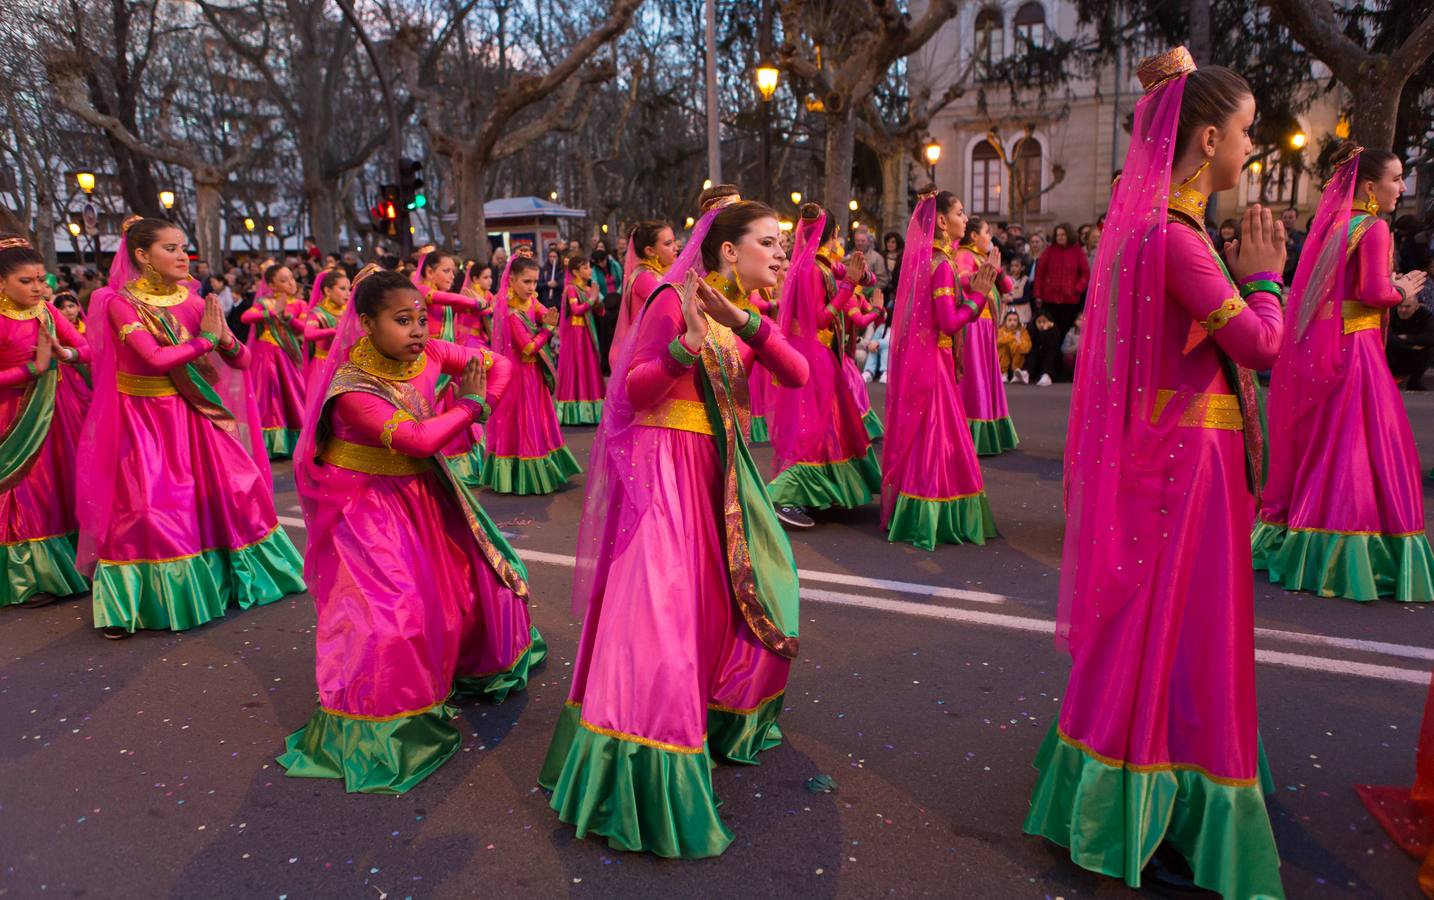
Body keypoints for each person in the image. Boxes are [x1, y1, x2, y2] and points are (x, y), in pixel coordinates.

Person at [1023, 49, 1289, 899]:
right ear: (1207, 138)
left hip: (1178, 459)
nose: (1252, 148)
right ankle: (1152, 799)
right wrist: (1267, 281)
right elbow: (1261, 345)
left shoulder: (1152, 231)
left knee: (1157, 630)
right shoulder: (1177, 240)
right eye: (1246, 131)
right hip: (1192, 470)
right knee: (1178, 628)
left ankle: (1127, 789)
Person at [539, 186, 809, 858]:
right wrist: (686, 345)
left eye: (782, 245)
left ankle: (715, 717)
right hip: (662, 469)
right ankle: (643, 776)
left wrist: (739, 322)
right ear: (728, 249)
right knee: (658, 620)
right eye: (769, 244)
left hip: (714, 474)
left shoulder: (742, 312)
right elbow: (631, 392)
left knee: (737, 603)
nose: (782, 256)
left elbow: (797, 372)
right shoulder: (667, 298)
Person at [277, 267, 543, 794]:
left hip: (421, 491)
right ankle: (383, 726)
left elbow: (502, 364)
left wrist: (483, 401)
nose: (419, 330)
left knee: (469, 587)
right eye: (403, 321)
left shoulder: (428, 353)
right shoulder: (352, 389)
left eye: (422, 318)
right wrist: (470, 406)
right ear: (366, 324)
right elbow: (420, 440)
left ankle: (457, 672)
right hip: (364, 506)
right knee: (389, 614)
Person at [76, 216, 305, 638]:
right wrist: (203, 341)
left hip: (196, 412)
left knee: (234, 489)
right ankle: (137, 602)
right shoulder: (118, 303)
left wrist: (222, 339)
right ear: (142, 255)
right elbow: (155, 360)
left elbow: (242, 360)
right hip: (145, 418)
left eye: (184, 248)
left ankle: (232, 579)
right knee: (150, 508)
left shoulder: (195, 299)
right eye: (171, 248)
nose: (183, 256)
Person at [1254, 144, 1434, 604]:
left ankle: (1305, 539)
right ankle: (1356, 551)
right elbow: (1374, 292)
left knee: (1333, 444)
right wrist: (1400, 289)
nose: (1402, 187)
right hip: (1362, 352)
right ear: (1370, 187)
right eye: (1396, 179)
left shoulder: (1334, 226)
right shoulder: (1373, 227)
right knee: (1365, 446)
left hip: (1336, 345)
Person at [880, 189, 998, 551]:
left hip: (927, 359)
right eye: (961, 213)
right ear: (943, 221)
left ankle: (915, 511)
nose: (967, 218)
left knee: (927, 438)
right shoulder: (942, 263)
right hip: (936, 363)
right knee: (939, 438)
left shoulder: (926, 260)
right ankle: (933, 517)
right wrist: (978, 297)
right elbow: (947, 323)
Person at [765, 204, 881, 528]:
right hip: (813, 351)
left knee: (830, 420)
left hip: (821, 352)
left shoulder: (824, 264)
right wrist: (848, 288)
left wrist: (859, 276)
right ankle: (783, 496)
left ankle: (819, 491)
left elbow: (860, 277)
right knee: (812, 424)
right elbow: (820, 318)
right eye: (838, 233)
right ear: (833, 234)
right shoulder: (812, 270)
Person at [0, 237, 91, 609]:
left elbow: (88, 349)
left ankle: (69, 563)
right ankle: (29, 576)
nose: (38, 288)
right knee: (21, 492)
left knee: (60, 484)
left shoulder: (47, 313)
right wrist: (30, 370)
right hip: (12, 415)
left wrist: (64, 353)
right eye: (27, 281)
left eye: (41, 279)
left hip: (57, 410)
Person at [481, 255, 582, 494]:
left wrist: (547, 320)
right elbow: (527, 347)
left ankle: (545, 467)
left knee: (538, 420)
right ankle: (522, 476)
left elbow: (546, 314)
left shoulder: (530, 301)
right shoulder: (511, 312)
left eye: (535, 282)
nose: (532, 287)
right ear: (512, 280)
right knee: (523, 421)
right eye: (526, 282)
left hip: (533, 373)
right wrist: (547, 329)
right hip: (518, 375)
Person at [954, 216, 1019, 454]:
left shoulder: (983, 257)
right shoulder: (964, 254)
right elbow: (963, 281)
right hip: (973, 323)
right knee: (976, 376)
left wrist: (996, 269)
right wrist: (986, 270)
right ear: (973, 236)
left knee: (987, 375)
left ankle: (990, 428)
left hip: (987, 325)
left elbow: (1009, 287)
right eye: (986, 233)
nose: (990, 238)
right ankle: (972, 432)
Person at [240, 263, 308, 459]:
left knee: (292, 394)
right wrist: (271, 312)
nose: (291, 283)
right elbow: (246, 317)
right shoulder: (265, 302)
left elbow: (303, 329)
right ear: (272, 285)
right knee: (269, 397)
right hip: (266, 356)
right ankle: (272, 445)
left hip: (287, 355)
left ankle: (296, 440)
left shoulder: (299, 304)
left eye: (292, 278)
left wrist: (287, 317)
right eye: (284, 280)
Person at [611, 221, 677, 367]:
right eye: (668, 244)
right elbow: (673, 309)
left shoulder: (657, 274)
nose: (675, 248)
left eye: (674, 242)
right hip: (650, 355)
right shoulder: (645, 277)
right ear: (650, 251)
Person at [555, 253, 606, 425]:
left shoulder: (587, 288)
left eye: (589, 267)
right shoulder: (571, 288)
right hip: (575, 335)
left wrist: (597, 301)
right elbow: (575, 310)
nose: (589, 270)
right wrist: (591, 300)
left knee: (589, 368)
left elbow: (601, 312)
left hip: (586, 333)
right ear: (576, 272)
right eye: (585, 267)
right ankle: (575, 414)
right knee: (577, 367)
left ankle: (591, 412)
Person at [1032, 222, 1089, 342]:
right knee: (1050, 332)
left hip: (1069, 301)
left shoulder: (1077, 252)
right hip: (1049, 300)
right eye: (1058, 235)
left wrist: (1076, 289)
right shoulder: (1049, 251)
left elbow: (1085, 273)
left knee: (1065, 332)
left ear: (1069, 235)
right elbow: (1040, 273)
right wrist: (1038, 294)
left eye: (1063, 235)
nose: (1060, 237)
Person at [301, 267, 351, 383]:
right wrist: (335, 331)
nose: (348, 294)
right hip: (323, 366)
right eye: (343, 289)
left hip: (344, 366)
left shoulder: (348, 311)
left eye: (349, 289)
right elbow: (308, 333)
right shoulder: (319, 312)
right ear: (328, 291)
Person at [1389, 290, 1434, 390]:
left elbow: (1430, 337)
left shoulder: (1425, 316)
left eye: (1407, 306)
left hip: (1414, 356)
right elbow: (1389, 338)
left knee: (1430, 349)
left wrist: (1407, 338)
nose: (1402, 310)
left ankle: (1415, 381)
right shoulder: (1391, 313)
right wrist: (1412, 346)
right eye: (1400, 306)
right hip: (1395, 354)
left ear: (1416, 306)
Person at [1025, 311, 1061, 385]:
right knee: (1033, 350)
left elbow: (1049, 345)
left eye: (1044, 321)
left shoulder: (1054, 331)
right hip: (1036, 360)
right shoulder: (1032, 330)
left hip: (1051, 362)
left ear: (1049, 322)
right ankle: (1026, 373)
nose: (1041, 324)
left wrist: (1045, 331)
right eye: (1039, 322)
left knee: (1050, 351)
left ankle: (1046, 375)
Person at [996, 310, 1031, 383]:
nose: (1012, 322)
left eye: (1015, 320)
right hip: (1003, 359)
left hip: (1018, 359)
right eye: (1010, 320)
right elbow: (996, 343)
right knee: (1003, 346)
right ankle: (1003, 374)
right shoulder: (1001, 331)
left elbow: (1026, 348)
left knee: (1019, 346)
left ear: (1018, 321)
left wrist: (1018, 343)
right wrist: (1012, 338)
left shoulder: (1023, 331)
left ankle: (1017, 373)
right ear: (1005, 321)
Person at [1281, 206, 1305, 283]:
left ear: (1296, 219)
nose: (1287, 220)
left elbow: (1303, 253)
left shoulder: (1301, 236)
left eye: (1290, 217)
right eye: (1285, 217)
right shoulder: (1275, 235)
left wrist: (1290, 242)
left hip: (1292, 277)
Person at [1003, 257, 1031, 324]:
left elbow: (1026, 298)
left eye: (1016, 266)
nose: (1013, 268)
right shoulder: (1006, 279)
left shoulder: (1025, 280)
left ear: (1022, 268)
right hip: (1009, 310)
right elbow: (1004, 294)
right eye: (1012, 265)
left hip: (1023, 312)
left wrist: (1012, 300)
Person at [1060, 311, 1084, 375]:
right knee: (1068, 357)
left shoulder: (1091, 333)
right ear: (1075, 321)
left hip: (1085, 357)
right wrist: (1078, 346)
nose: (1081, 322)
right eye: (1079, 319)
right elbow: (1064, 349)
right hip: (1074, 357)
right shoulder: (1071, 332)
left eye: (1084, 319)